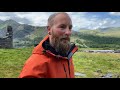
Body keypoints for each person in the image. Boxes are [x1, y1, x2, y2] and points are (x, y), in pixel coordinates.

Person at [19, 12, 78, 78]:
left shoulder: (67, 54)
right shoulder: (36, 64)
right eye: (62, 27)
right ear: (49, 29)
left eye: (70, 28)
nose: (68, 32)